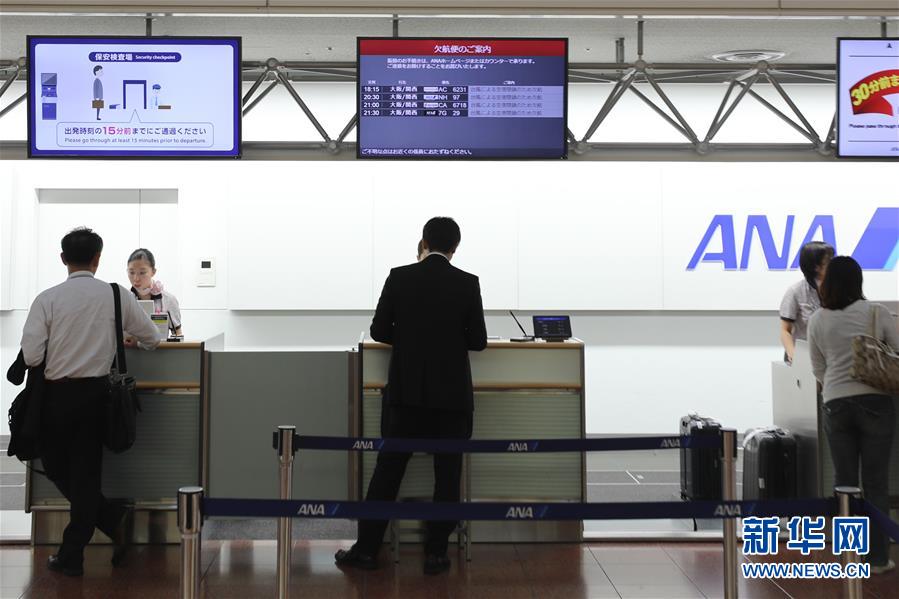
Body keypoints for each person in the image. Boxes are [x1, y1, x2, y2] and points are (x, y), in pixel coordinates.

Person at [336, 217, 487, 575]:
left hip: (406, 395)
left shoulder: (399, 277)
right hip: (451, 399)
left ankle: (367, 549)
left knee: (387, 472)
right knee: (447, 475)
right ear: (455, 248)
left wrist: (409, 339)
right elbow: (478, 340)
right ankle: (436, 553)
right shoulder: (467, 283)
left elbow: (378, 330)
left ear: (423, 242)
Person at [21, 227, 161, 577]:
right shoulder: (115, 295)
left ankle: (72, 555)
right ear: (97, 259)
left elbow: (32, 356)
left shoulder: (47, 299)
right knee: (85, 474)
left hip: (55, 397)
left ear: (63, 259)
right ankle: (110, 518)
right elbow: (153, 338)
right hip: (95, 397)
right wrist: (128, 339)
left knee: (56, 467)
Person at [808, 256, 898, 575]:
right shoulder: (877, 312)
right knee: (875, 483)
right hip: (875, 401)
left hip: (835, 402)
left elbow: (818, 367)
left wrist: (837, 385)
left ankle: (850, 557)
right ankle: (877, 559)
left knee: (844, 483)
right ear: (858, 281)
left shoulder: (818, 319)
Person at [779, 241, 834, 363]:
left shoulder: (839, 289)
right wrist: (794, 356)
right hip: (804, 357)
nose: (834, 264)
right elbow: (785, 330)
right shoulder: (795, 291)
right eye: (829, 261)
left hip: (831, 357)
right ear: (815, 266)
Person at [127, 248, 183, 337]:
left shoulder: (168, 300)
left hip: (160, 346)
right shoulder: (125, 299)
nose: (136, 278)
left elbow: (178, 335)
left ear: (153, 272)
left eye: (142, 273)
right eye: (131, 272)